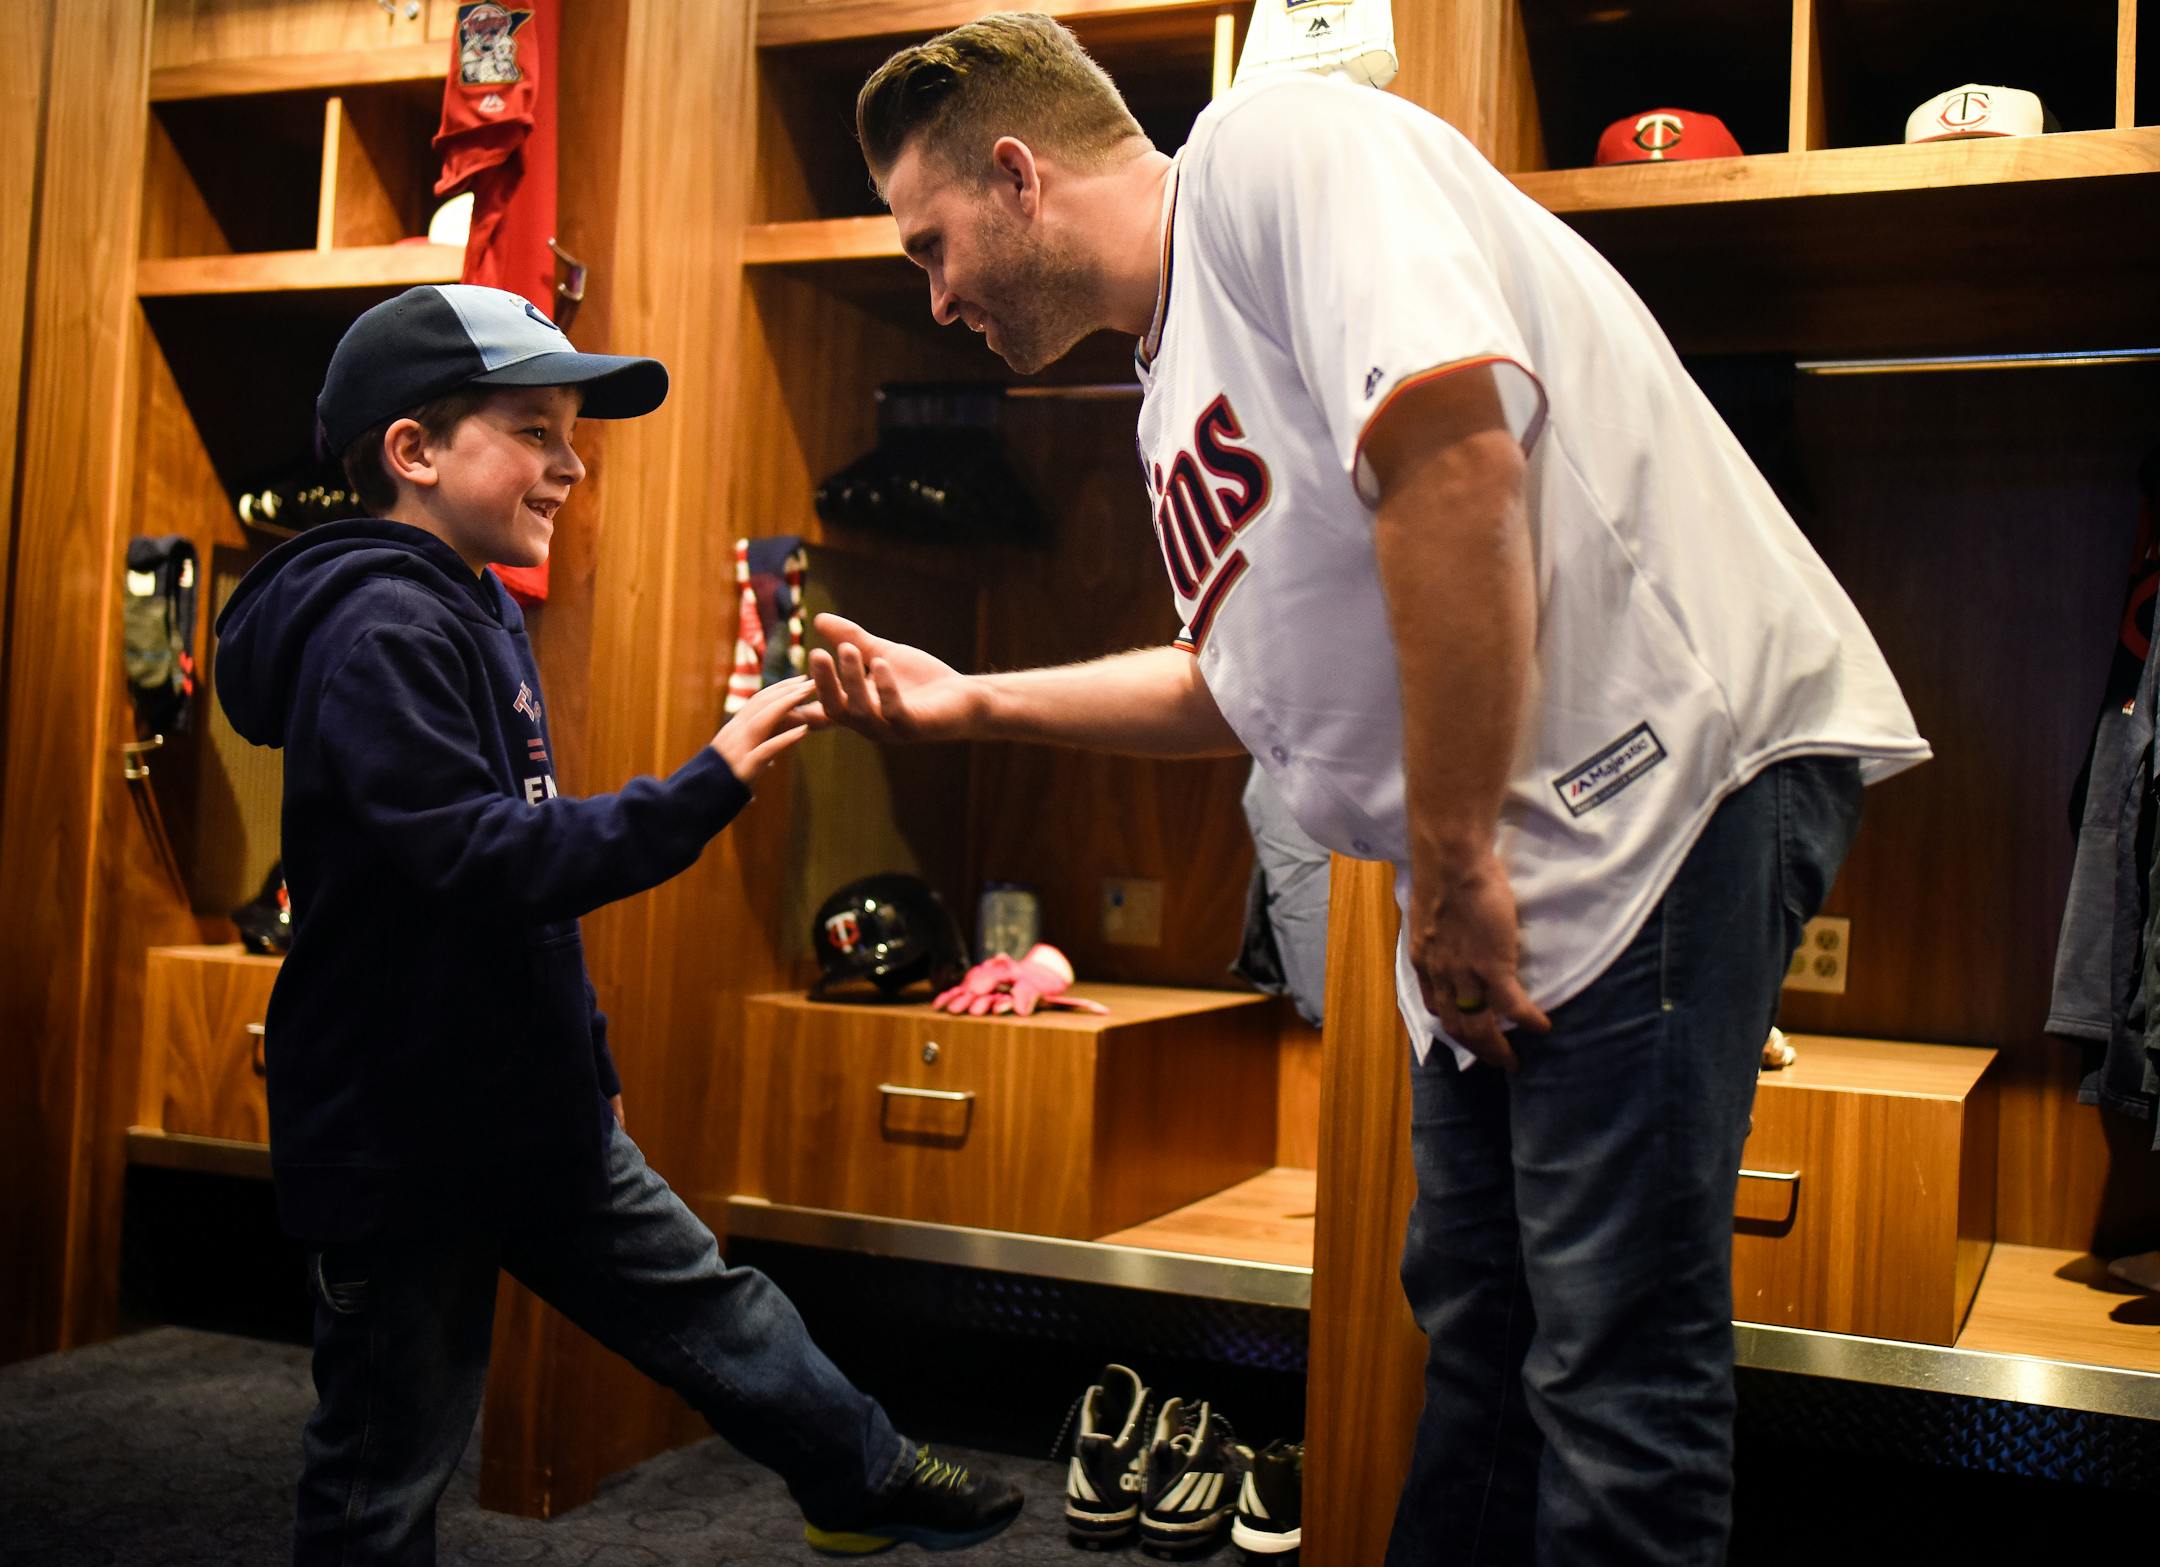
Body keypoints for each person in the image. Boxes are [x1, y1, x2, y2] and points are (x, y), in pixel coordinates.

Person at [820, 16, 1929, 1565]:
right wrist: (977, 698)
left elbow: (1455, 455)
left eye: (932, 243)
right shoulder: (1169, 389)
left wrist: (1458, 857)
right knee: (1476, 1326)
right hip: (1495, 849)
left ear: (1018, 174)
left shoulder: (1277, 149)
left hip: (1650, 788)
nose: (934, 297)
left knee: (1612, 1370)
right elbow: (1243, 683)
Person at [214, 283, 1023, 1563]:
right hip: (398, 1128)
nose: (571, 462)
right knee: (382, 1460)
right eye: (535, 428)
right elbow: (481, 858)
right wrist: (706, 785)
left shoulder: (472, 597)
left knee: (713, 1304)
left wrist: (583, 1061)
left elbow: (516, 872)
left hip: (527, 1098)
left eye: (569, 432)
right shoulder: (378, 624)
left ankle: (856, 1474)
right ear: (412, 451)